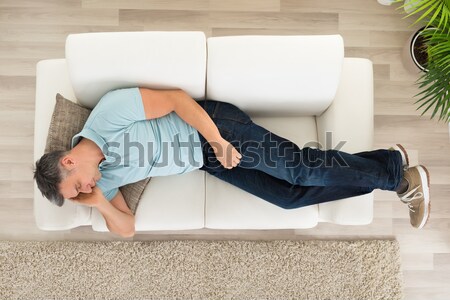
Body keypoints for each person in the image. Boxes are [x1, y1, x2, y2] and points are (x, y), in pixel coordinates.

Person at [33, 87, 431, 237]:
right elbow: (127, 230)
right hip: (207, 160)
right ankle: (390, 162)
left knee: (299, 168)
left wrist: (219, 141)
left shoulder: (108, 114)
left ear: (69, 160)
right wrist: (98, 201)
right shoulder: (103, 181)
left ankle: (399, 179)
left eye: (78, 186)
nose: (86, 191)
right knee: (288, 198)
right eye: (81, 195)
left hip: (215, 128)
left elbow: (176, 100)